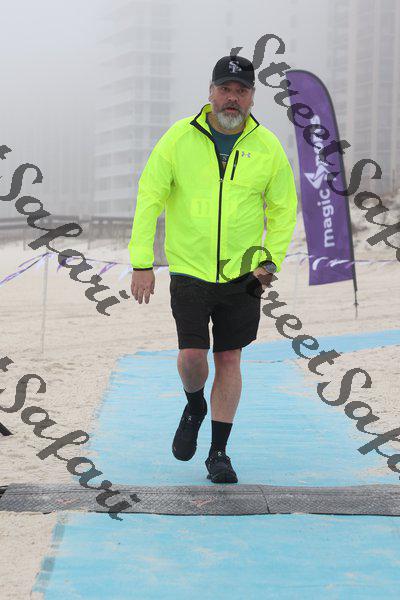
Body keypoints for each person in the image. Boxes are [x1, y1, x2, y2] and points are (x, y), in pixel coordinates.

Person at [128, 55, 297, 484]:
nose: (232, 98)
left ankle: (218, 452)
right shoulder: (179, 137)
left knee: (229, 356)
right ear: (211, 92)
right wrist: (142, 261)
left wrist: (269, 261)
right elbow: (149, 196)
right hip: (189, 268)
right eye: (225, 89)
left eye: (241, 91)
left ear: (252, 97)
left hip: (244, 273)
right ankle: (194, 403)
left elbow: (283, 208)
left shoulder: (267, 146)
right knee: (192, 356)